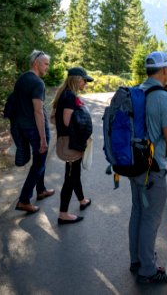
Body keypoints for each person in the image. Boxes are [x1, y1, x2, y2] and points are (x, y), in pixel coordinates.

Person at [129, 51, 167, 284]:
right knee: (151, 219)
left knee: (137, 213)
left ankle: (136, 260)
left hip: (133, 166)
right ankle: (148, 269)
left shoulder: (136, 91)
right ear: (165, 70)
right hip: (152, 171)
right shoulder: (165, 99)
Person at [14, 50, 55, 214]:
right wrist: (43, 138)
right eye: (46, 64)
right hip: (36, 129)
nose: (48, 67)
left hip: (23, 127)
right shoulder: (38, 83)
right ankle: (24, 200)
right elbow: (38, 111)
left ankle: (41, 189)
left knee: (40, 161)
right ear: (36, 63)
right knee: (38, 164)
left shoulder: (22, 79)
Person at [52, 67, 93, 225]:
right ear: (76, 79)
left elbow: (54, 119)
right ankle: (63, 214)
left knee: (74, 173)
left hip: (70, 141)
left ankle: (82, 200)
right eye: (84, 80)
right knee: (70, 177)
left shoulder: (66, 94)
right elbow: (68, 121)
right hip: (70, 143)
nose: (86, 84)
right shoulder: (69, 96)